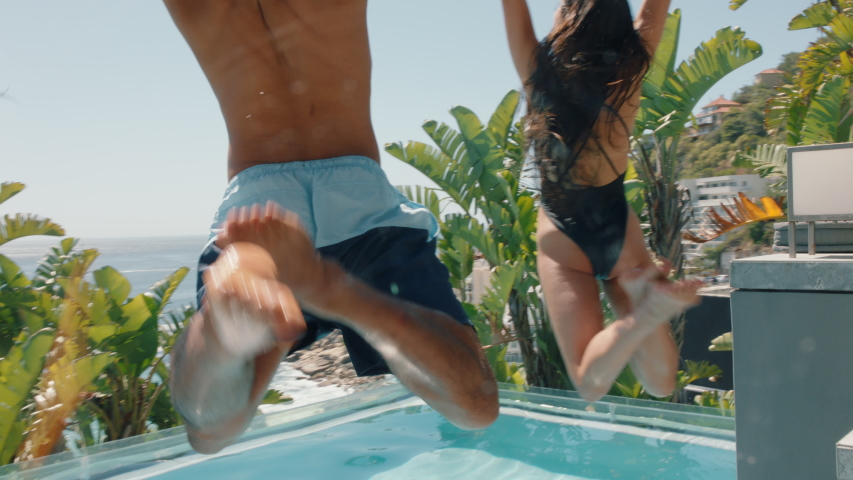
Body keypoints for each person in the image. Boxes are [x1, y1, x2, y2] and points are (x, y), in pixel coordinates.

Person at [163, 0, 498, 454]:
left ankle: (222, 333)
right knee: (475, 407)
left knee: (210, 434)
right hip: (359, 196)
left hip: (259, 206)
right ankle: (335, 291)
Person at [501, 0, 702, 402]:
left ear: (569, 17)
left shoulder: (536, 70)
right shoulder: (630, 66)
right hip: (618, 229)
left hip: (563, 235)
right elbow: (655, 7)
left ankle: (642, 316)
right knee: (661, 384)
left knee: (589, 383)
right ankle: (644, 309)